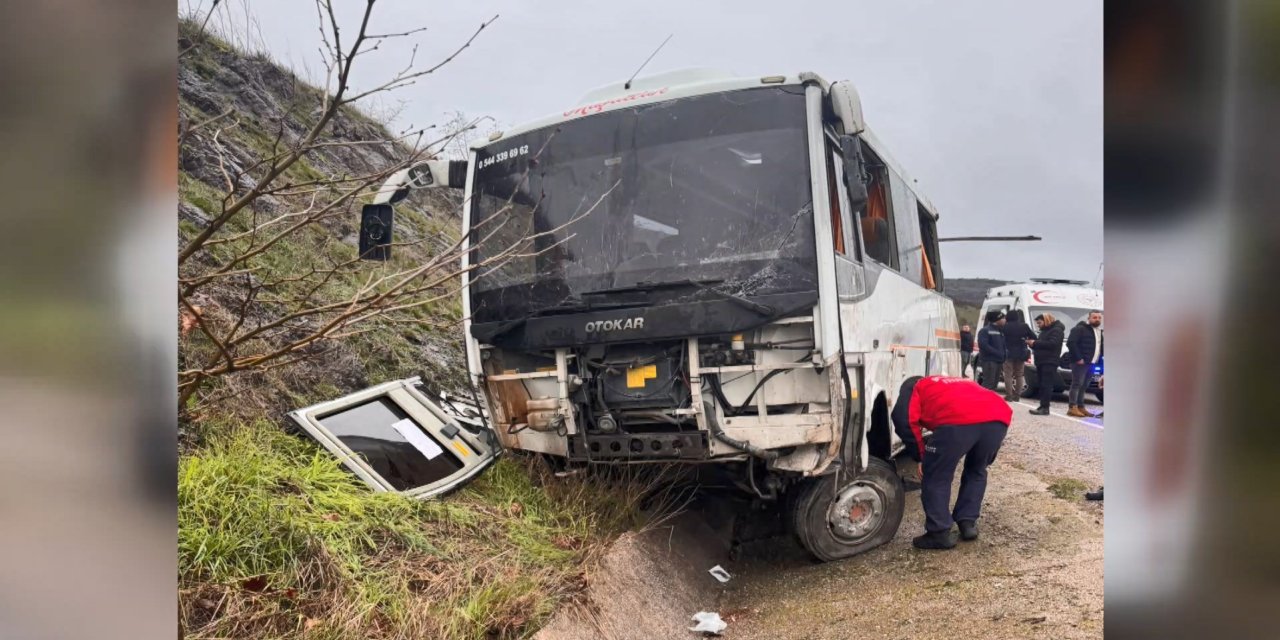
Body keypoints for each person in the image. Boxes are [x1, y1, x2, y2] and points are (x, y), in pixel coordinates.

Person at [892, 375, 1013, 550]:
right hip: (998, 418)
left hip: (957, 421)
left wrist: (921, 456)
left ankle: (938, 533)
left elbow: (903, 420)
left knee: (936, 476)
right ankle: (967, 523)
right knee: (977, 470)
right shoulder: (954, 382)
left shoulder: (914, 386)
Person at [1065, 310, 1104, 418]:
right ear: (1089, 318)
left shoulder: (1099, 331)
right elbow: (1071, 343)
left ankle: (1080, 407)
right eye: (1094, 317)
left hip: (1092, 362)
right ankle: (1072, 407)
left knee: (1084, 385)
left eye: (1099, 318)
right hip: (1081, 363)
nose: (1097, 319)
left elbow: (1100, 347)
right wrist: (1079, 358)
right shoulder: (1080, 329)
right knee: (1077, 384)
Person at [1027, 313, 1066, 415]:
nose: (1038, 325)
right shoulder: (1045, 331)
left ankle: (1045, 407)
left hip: (1049, 361)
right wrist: (1032, 344)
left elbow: (1052, 344)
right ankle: (1042, 405)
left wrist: (1035, 343)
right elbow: (1042, 345)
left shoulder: (1057, 330)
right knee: (1042, 384)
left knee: (1046, 385)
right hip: (1042, 361)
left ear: (1046, 320)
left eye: (1039, 323)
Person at [1001, 310, 1035, 402]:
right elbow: (1034, 337)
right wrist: (1025, 341)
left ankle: (1009, 395)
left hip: (1008, 353)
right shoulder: (1024, 326)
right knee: (1019, 375)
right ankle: (1017, 396)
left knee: (1008, 375)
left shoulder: (1005, 326)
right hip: (1021, 353)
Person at [976, 311, 1006, 391]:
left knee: (994, 384)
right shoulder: (985, 330)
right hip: (989, 361)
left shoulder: (1001, 331)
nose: (1005, 320)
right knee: (988, 383)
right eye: (1003, 318)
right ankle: (981, 401)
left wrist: (1005, 354)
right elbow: (983, 345)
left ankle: (989, 401)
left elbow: (1003, 345)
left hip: (999, 360)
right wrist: (997, 353)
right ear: (997, 319)